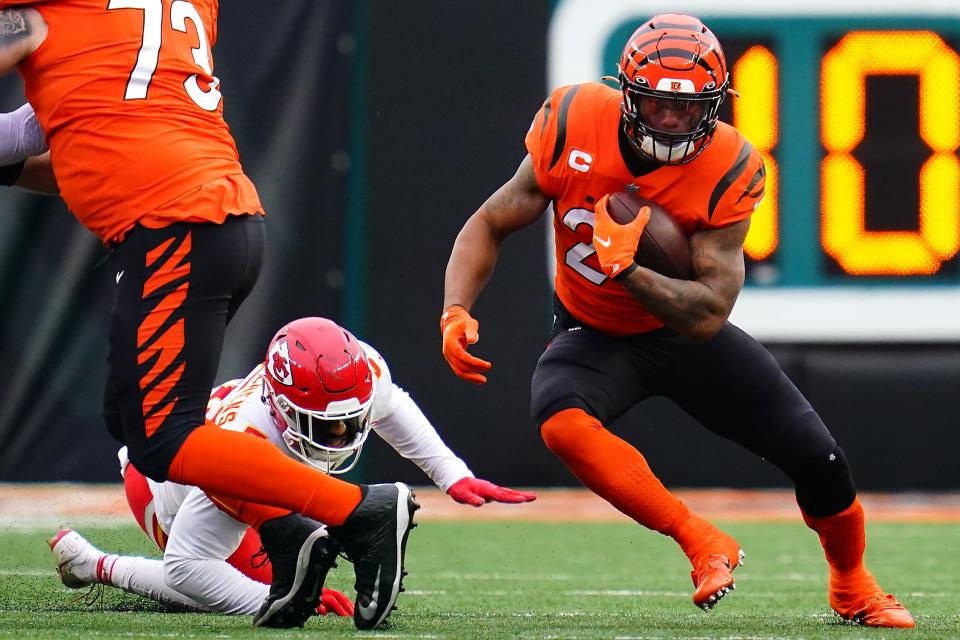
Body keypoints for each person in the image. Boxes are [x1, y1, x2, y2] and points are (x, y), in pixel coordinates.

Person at [439, 13, 914, 629]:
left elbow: (710, 312)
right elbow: (491, 220)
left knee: (820, 460)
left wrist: (630, 269)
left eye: (687, 110)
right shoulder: (572, 120)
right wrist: (455, 308)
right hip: (594, 333)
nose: (669, 120)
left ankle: (853, 586)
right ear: (627, 94)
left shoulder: (730, 165)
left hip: (684, 337)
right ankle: (699, 540)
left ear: (715, 107)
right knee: (560, 422)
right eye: (657, 104)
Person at [0, 3, 411, 629]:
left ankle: (358, 512)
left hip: (174, 227)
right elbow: (73, 131)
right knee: (133, 423)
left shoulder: (49, 15)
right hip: (211, 220)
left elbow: (33, 63)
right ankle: (286, 531)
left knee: (166, 439)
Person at [49, 316, 533, 621]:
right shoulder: (246, 438)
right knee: (226, 586)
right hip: (162, 486)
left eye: (349, 423)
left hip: (241, 452)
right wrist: (268, 600)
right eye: (327, 427)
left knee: (298, 559)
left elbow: (391, 406)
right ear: (281, 408)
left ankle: (91, 562)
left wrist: (452, 473)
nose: (342, 437)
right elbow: (186, 568)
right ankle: (93, 564)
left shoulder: (361, 369)